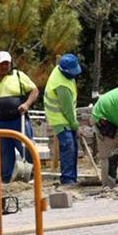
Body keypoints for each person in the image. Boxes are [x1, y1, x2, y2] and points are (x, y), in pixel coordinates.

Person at [0, 51, 39, 183]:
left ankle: (33, 176)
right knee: (4, 154)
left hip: (18, 121)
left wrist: (26, 104)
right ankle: (7, 180)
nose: (5, 66)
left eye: (7, 63)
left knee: (27, 149)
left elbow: (34, 90)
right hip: (0, 123)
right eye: (1, 64)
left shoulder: (18, 76)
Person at [44, 54, 82, 186]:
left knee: (73, 146)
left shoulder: (62, 72)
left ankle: (73, 177)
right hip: (60, 119)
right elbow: (67, 108)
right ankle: (67, 179)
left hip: (65, 116)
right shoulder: (61, 85)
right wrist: (74, 124)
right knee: (68, 147)